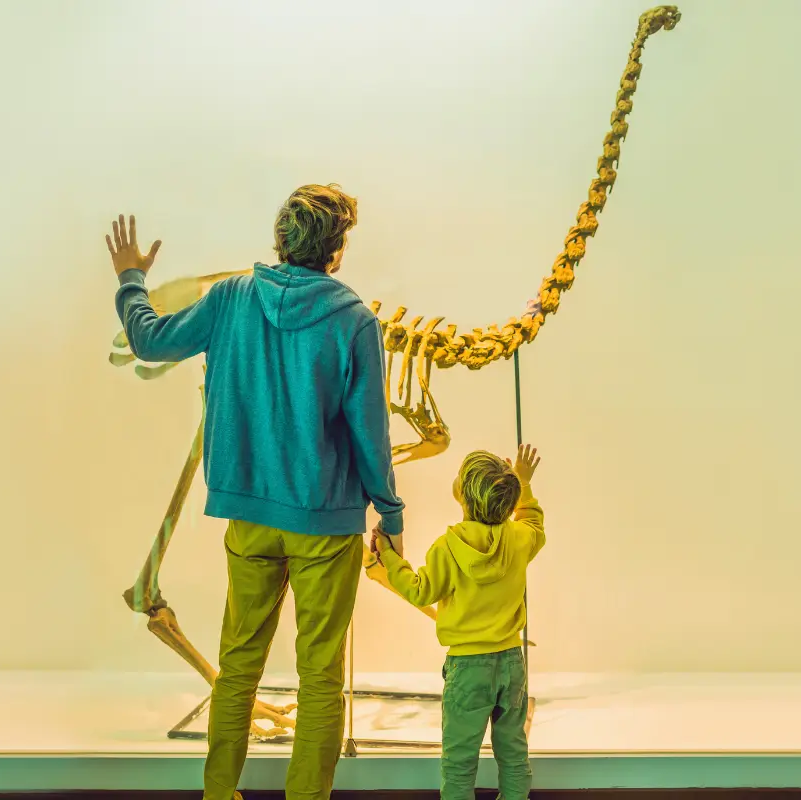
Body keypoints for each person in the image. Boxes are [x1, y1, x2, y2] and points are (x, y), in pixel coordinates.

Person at [106, 184, 405, 800]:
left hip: (248, 518)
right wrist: (391, 514)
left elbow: (151, 341)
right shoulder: (354, 320)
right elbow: (371, 434)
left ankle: (220, 794)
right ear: (337, 247)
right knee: (320, 678)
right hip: (327, 523)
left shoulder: (231, 299)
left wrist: (131, 280)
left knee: (239, 667)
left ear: (282, 236)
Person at [372, 444, 543, 800]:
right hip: (511, 662)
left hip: (468, 669)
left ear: (462, 495)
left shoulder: (448, 548)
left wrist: (388, 555)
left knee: (459, 762)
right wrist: (524, 483)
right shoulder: (519, 538)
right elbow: (533, 520)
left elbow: (419, 591)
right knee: (513, 755)